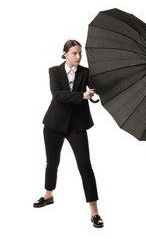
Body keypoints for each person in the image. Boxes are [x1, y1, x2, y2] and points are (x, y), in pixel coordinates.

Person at [33, 39, 104, 228]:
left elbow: (97, 85)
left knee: (85, 167)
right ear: (64, 53)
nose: (78, 56)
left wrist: (95, 89)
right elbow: (57, 94)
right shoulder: (54, 71)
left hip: (77, 126)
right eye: (74, 53)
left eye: (80, 53)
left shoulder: (86, 72)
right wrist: (81, 96)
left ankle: (94, 212)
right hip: (54, 124)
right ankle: (48, 195)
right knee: (52, 162)